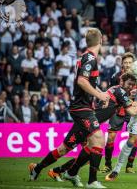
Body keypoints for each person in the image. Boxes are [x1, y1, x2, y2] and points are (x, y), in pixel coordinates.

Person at [28, 28, 111, 188]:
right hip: (82, 109)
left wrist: (101, 93)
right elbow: (81, 81)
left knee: (65, 148)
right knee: (99, 140)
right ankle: (91, 181)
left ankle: (38, 169)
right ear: (100, 40)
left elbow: (88, 83)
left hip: (82, 108)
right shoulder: (90, 59)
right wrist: (100, 96)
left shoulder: (86, 58)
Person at [48, 73, 137, 183]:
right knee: (66, 150)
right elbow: (133, 111)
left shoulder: (118, 90)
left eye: (132, 85)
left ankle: (61, 172)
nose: (130, 87)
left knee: (88, 156)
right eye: (129, 84)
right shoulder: (121, 92)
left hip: (90, 124)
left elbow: (132, 104)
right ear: (122, 82)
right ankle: (58, 171)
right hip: (87, 123)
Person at [101, 52, 137, 174]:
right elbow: (111, 93)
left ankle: (129, 166)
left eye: (129, 62)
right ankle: (107, 164)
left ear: (133, 64)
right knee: (111, 138)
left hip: (132, 111)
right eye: (125, 63)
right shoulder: (115, 76)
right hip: (118, 111)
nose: (127, 65)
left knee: (133, 138)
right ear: (122, 64)